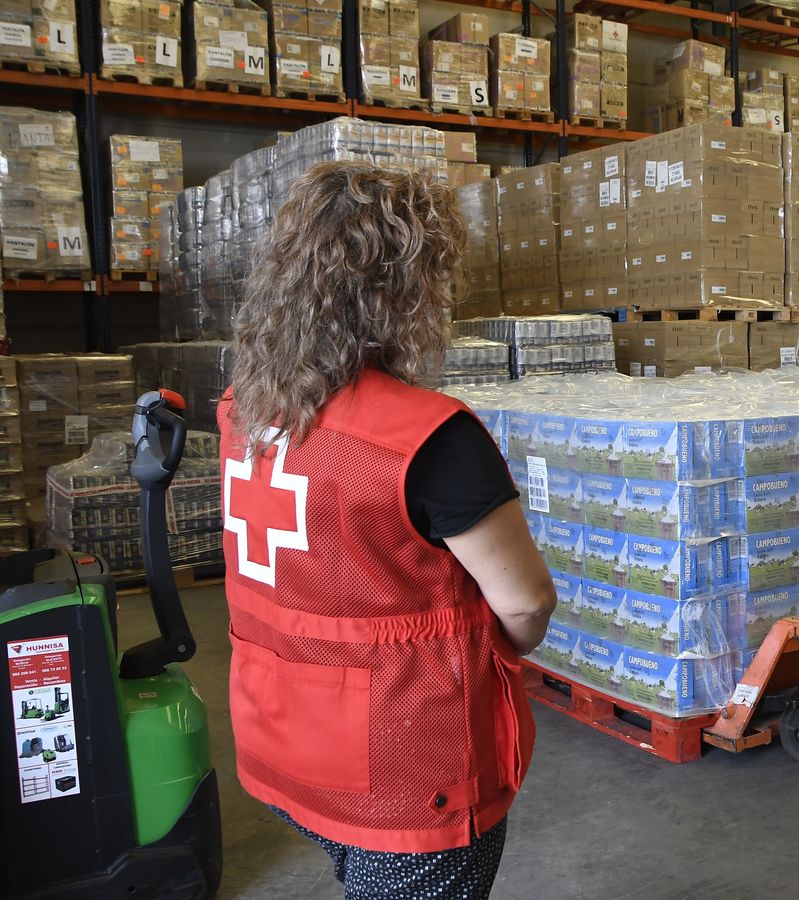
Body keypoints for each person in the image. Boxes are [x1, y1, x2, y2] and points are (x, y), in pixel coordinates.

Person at [219, 160, 557, 899]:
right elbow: (526, 603)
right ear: (409, 289)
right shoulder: (429, 439)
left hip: (284, 736)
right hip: (405, 768)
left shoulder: (246, 413)